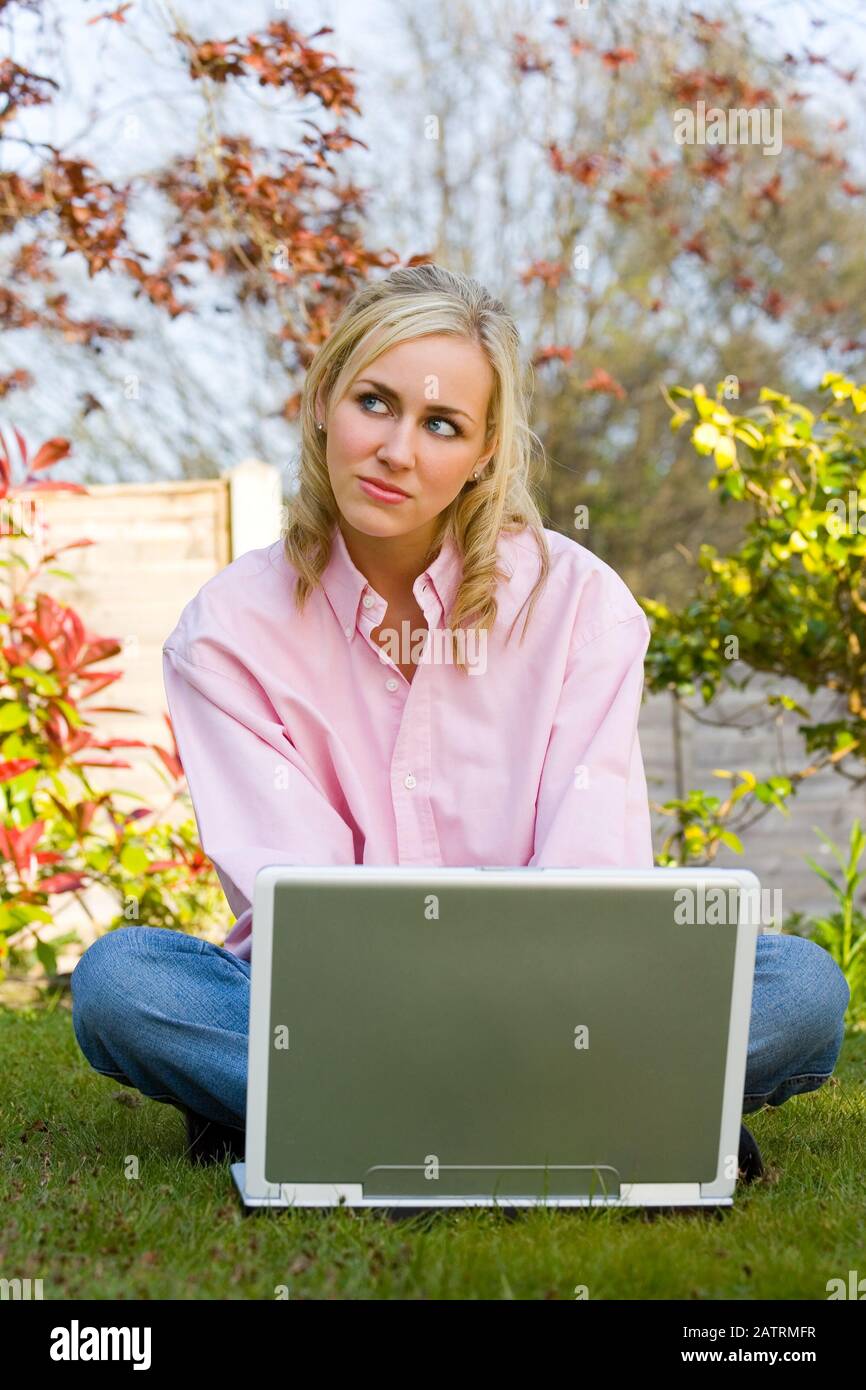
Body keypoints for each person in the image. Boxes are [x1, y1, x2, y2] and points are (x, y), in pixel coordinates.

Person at [70, 263, 850, 1174]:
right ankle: (609, 1111)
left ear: (483, 452)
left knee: (802, 988)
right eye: (374, 402)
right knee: (122, 984)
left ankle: (327, 1111)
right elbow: (303, 912)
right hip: (334, 1010)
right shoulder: (227, 633)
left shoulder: (578, 606)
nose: (398, 450)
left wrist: (535, 1013)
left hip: (563, 1012)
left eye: (440, 425)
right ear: (323, 401)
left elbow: (593, 873)